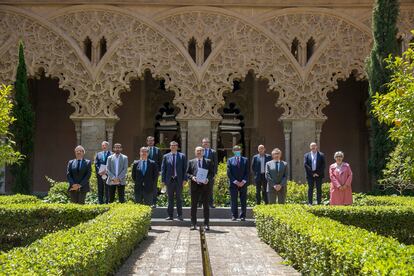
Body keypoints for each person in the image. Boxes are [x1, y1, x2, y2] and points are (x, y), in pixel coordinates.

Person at [187, 146, 214, 230]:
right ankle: (193, 224)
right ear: (195, 152)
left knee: (206, 206)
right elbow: (187, 173)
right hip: (195, 186)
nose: (199, 152)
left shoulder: (208, 162)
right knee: (193, 206)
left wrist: (207, 179)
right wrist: (192, 177)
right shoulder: (191, 162)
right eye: (197, 151)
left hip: (205, 187)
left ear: (203, 152)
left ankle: (206, 224)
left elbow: (212, 173)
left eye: (200, 151)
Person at [161, 141, 187, 221]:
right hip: (169, 180)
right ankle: (170, 216)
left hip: (178, 180)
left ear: (177, 147)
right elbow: (163, 169)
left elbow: (184, 169)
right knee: (170, 199)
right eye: (172, 145)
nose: (173, 147)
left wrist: (185, 179)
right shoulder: (166, 156)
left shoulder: (182, 156)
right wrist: (163, 180)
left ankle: (180, 215)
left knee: (179, 198)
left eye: (175, 145)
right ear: (170, 147)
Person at [227, 145, 249, 221]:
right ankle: (234, 215)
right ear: (233, 151)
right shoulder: (230, 160)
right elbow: (229, 173)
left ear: (241, 150)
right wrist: (236, 182)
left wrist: (243, 181)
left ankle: (243, 216)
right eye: (235, 150)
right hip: (233, 184)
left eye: (238, 149)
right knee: (233, 200)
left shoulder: (245, 160)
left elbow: (247, 172)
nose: (237, 151)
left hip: (243, 183)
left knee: (243, 200)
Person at [201, 137, 218, 208]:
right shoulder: (200, 151)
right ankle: (201, 203)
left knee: (210, 189)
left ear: (209, 143)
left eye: (207, 142)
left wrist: (215, 173)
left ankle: (210, 204)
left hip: (210, 173)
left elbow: (215, 163)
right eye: (204, 142)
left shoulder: (213, 152)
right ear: (202, 143)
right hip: (202, 172)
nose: (206, 144)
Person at [146, 136, 162, 207]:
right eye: (149, 141)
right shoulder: (144, 149)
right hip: (146, 171)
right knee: (147, 187)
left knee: (154, 187)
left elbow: (160, 161)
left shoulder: (157, 150)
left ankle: (154, 203)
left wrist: (160, 171)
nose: (150, 142)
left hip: (155, 171)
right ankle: (147, 202)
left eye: (152, 141)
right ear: (147, 142)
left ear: (154, 142)